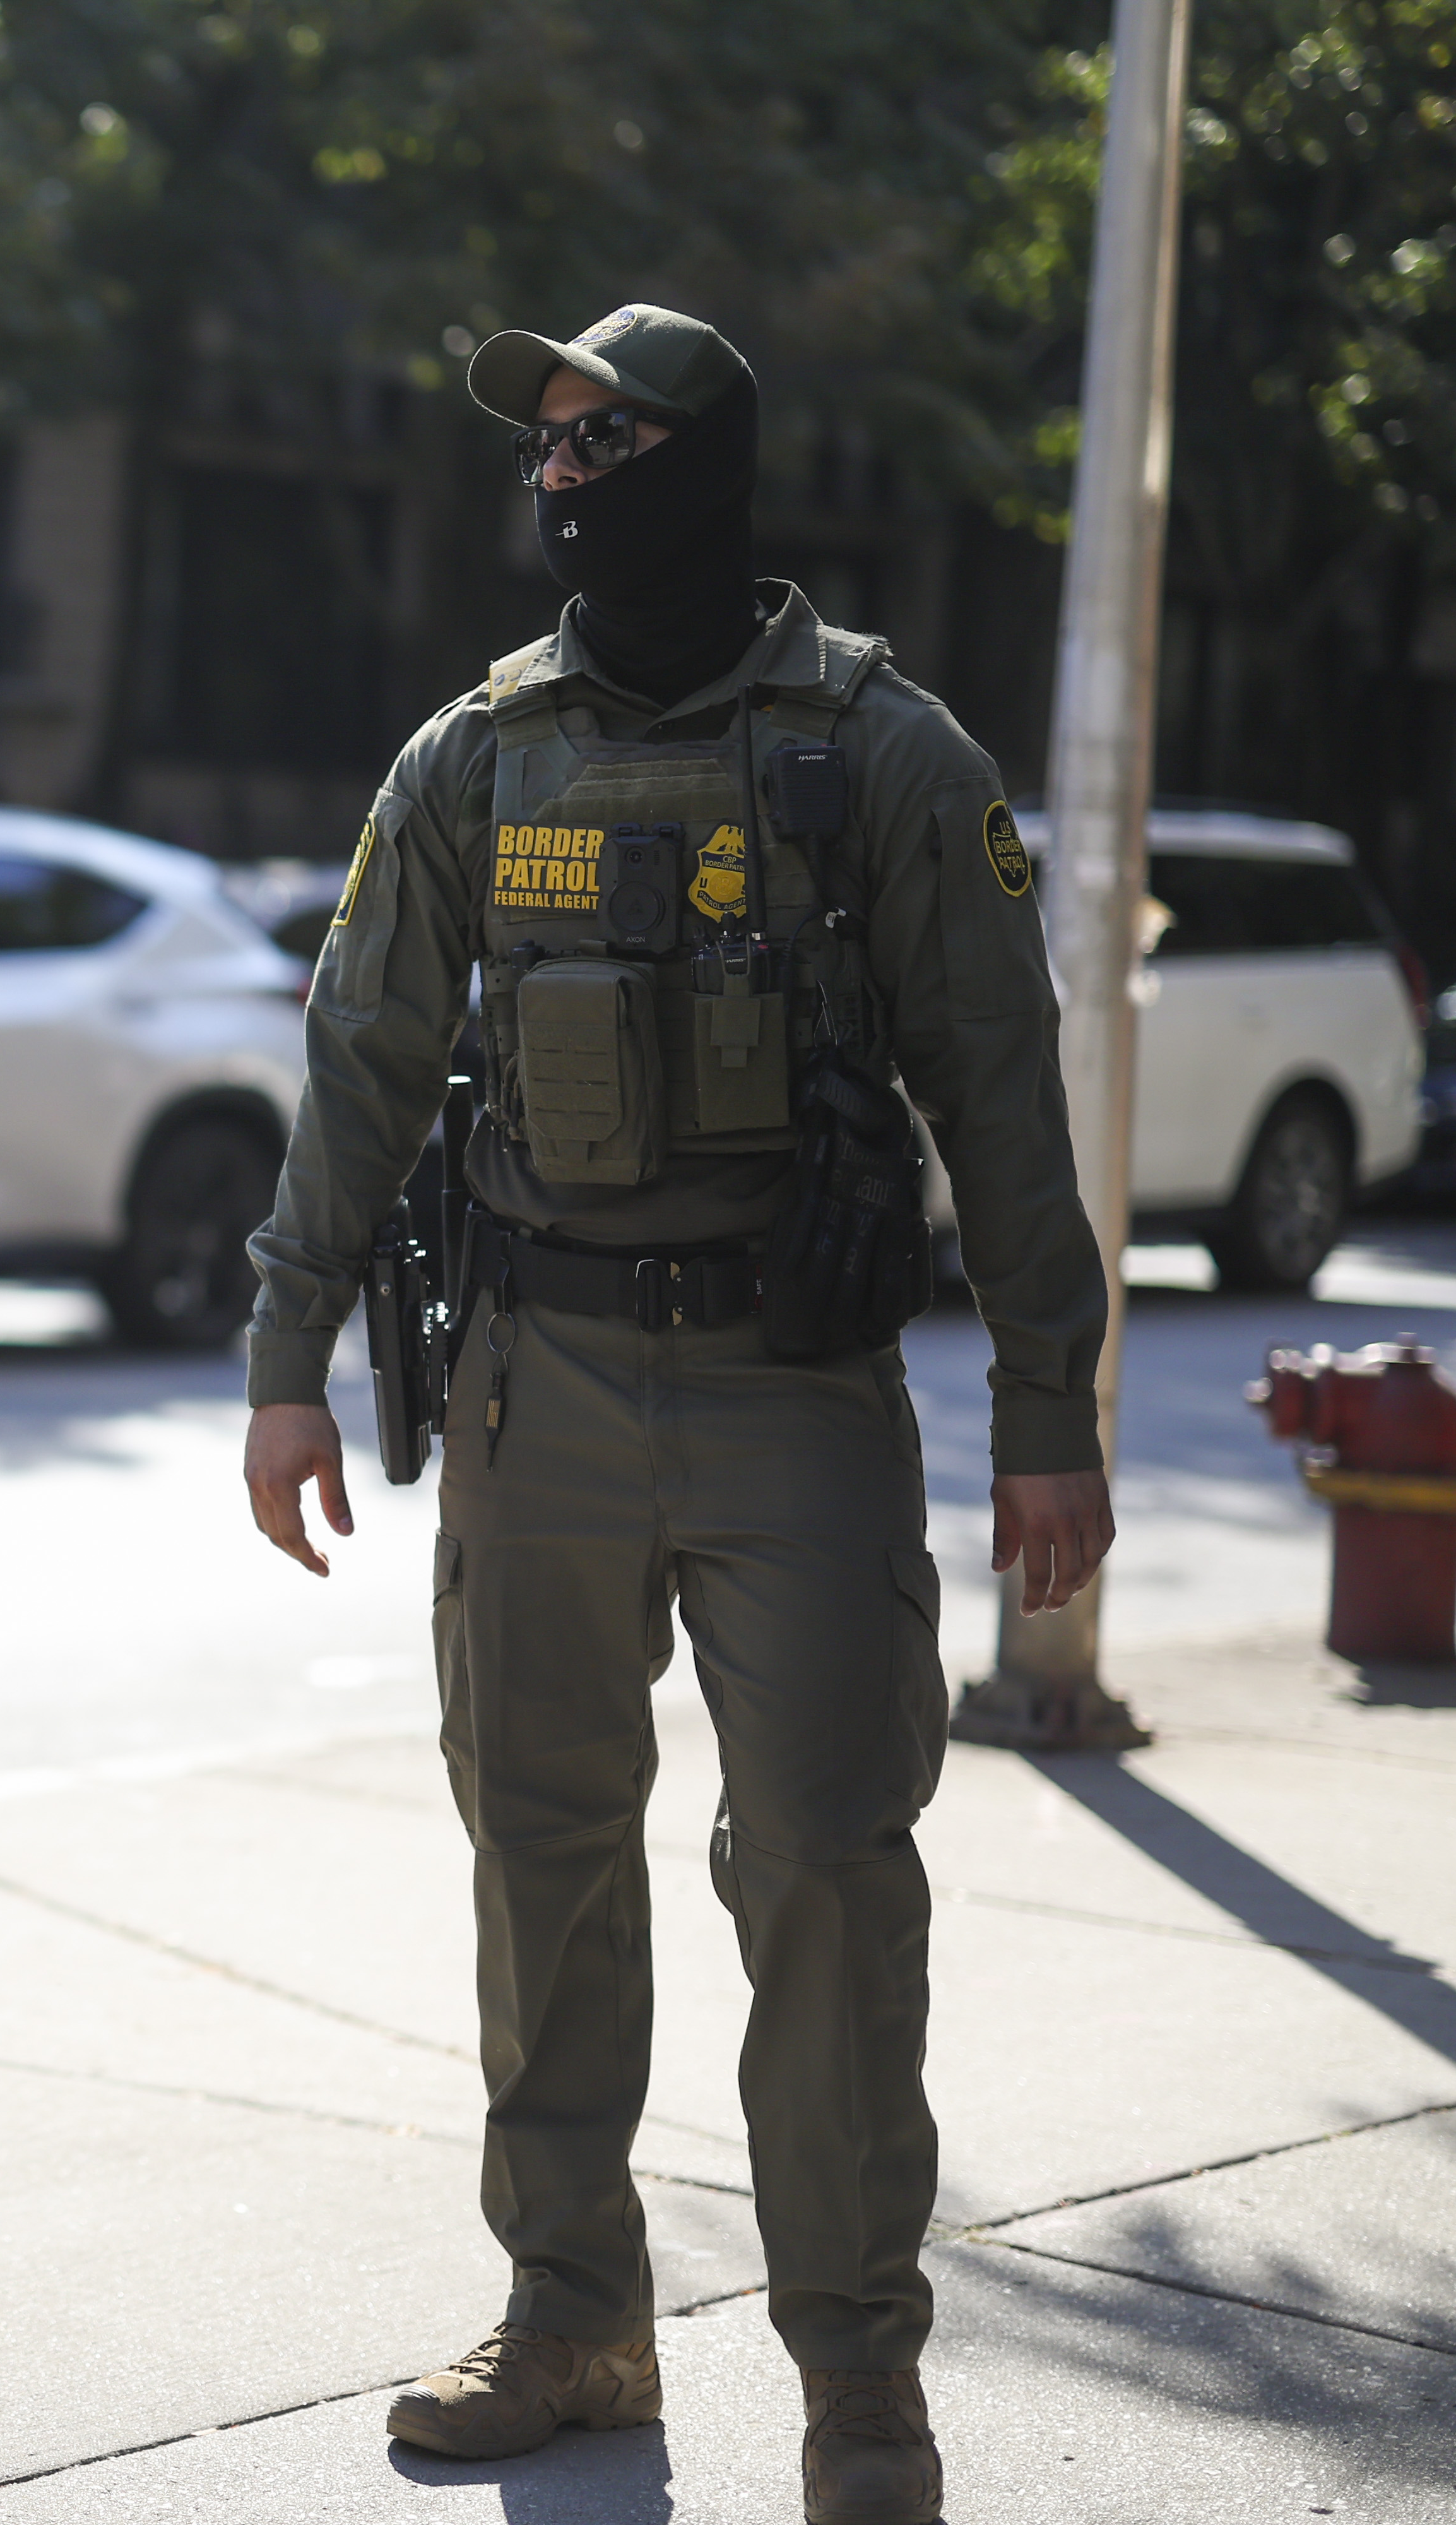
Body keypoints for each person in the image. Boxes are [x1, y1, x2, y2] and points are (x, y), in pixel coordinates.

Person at [235, 305, 1115, 2525]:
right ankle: (576, 2316)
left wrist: (1048, 1401)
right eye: (546, 442)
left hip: (793, 1389)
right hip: (535, 1380)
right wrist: (285, 1356)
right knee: (542, 1856)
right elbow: (358, 1060)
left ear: (710, 462)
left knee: (824, 1863)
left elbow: (1001, 1099)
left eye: (607, 436)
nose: (563, 474)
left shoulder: (882, 756)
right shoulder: (477, 757)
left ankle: (859, 2382)